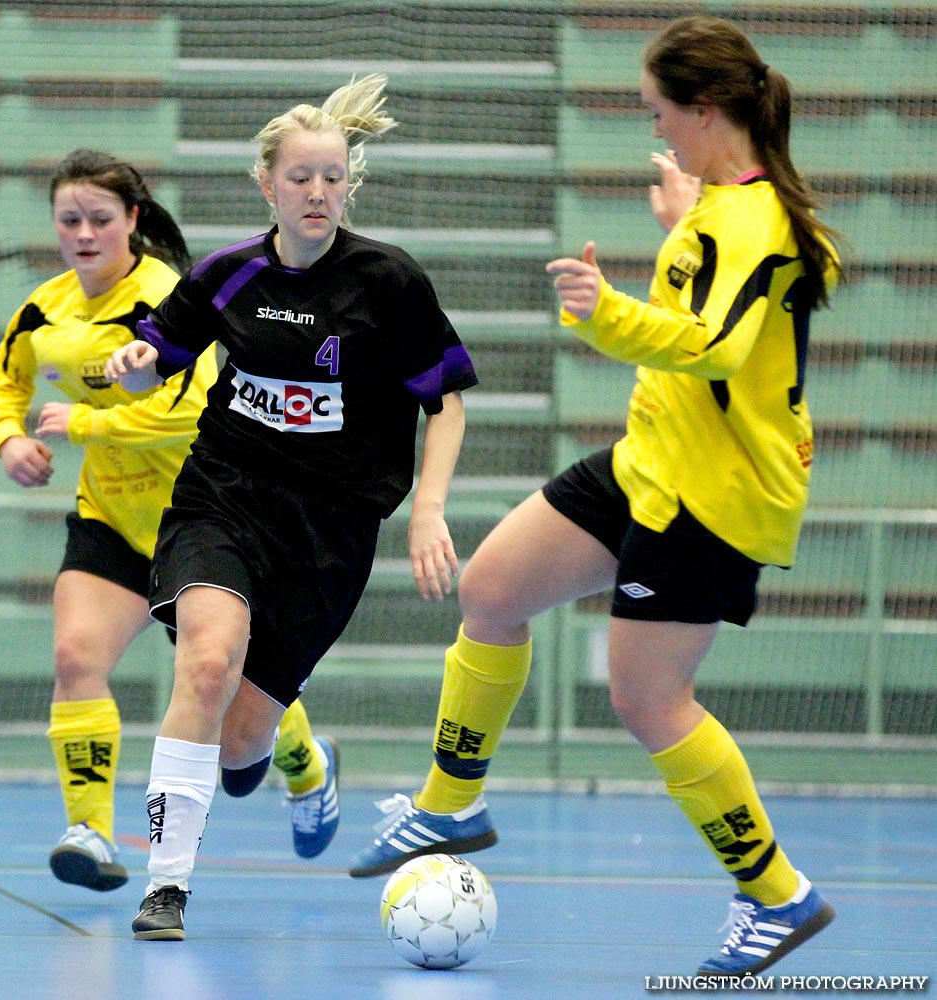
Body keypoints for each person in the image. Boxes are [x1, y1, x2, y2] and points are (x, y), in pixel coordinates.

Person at [348, 16, 841, 979]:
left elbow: (713, 347)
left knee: (647, 698)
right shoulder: (721, 206)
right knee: (491, 591)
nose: (657, 132)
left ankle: (776, 894)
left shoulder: (757, 221)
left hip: (713, 495)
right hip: (649, 459)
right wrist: (677, 230)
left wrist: (602, 309)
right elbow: (715, 304)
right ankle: (450, 804)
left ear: (705, 110)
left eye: (662, 114)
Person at [104, 74, 478, 941]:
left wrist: (428, 510)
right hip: (223, 498)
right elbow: (163, 350)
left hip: (332, 527)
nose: (318, 192)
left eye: (333, 177)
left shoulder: (387, 282)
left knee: (239, 747)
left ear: (349, 186)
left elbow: (445, 401)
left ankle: (293, 756)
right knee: (205, 663)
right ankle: (167, 888)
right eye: (301, 176)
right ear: (267, 182)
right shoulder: (229, 274)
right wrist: (133, 365)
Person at [0, 149, 334, 893]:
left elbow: (191, 408)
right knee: (77, 658)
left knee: (232, 699)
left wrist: (87, 425)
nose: (83, 233)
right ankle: (91, 831)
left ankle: (306, 765)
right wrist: (9, 439)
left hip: (200, 520)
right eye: (68, 219)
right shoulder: (43, 309)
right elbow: (1, 382)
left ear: (132, 222)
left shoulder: (169, 300)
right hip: (110, 519)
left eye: (99, 219)